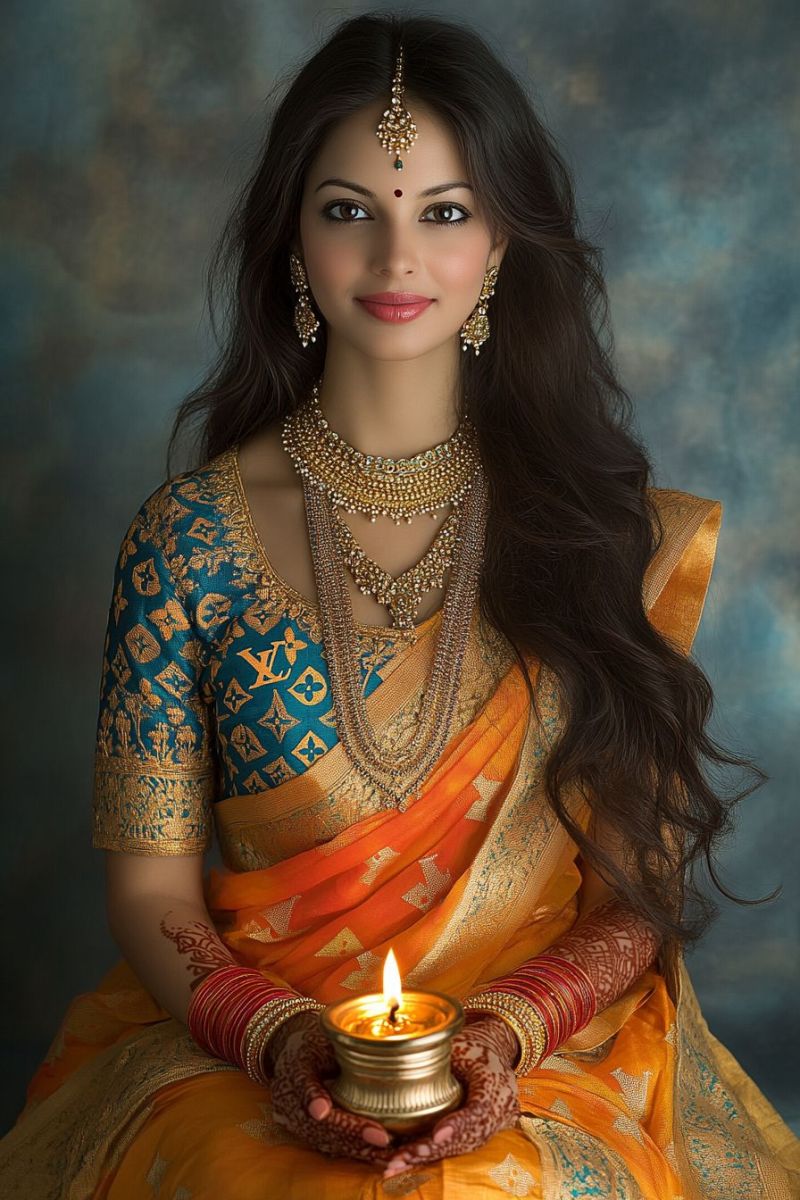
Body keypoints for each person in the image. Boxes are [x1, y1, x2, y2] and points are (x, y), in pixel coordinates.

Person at [2, 12, 798, 1198]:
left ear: (500, 245)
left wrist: (500, 1036)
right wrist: (278, 1040)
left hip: (542, 1058)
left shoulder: (600, 532)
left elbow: (638, 904)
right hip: (247, 1049)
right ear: (291, 241)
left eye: (442, 211)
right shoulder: (185, 544)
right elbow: (150, 890)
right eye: (346, 212)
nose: (394, 260)